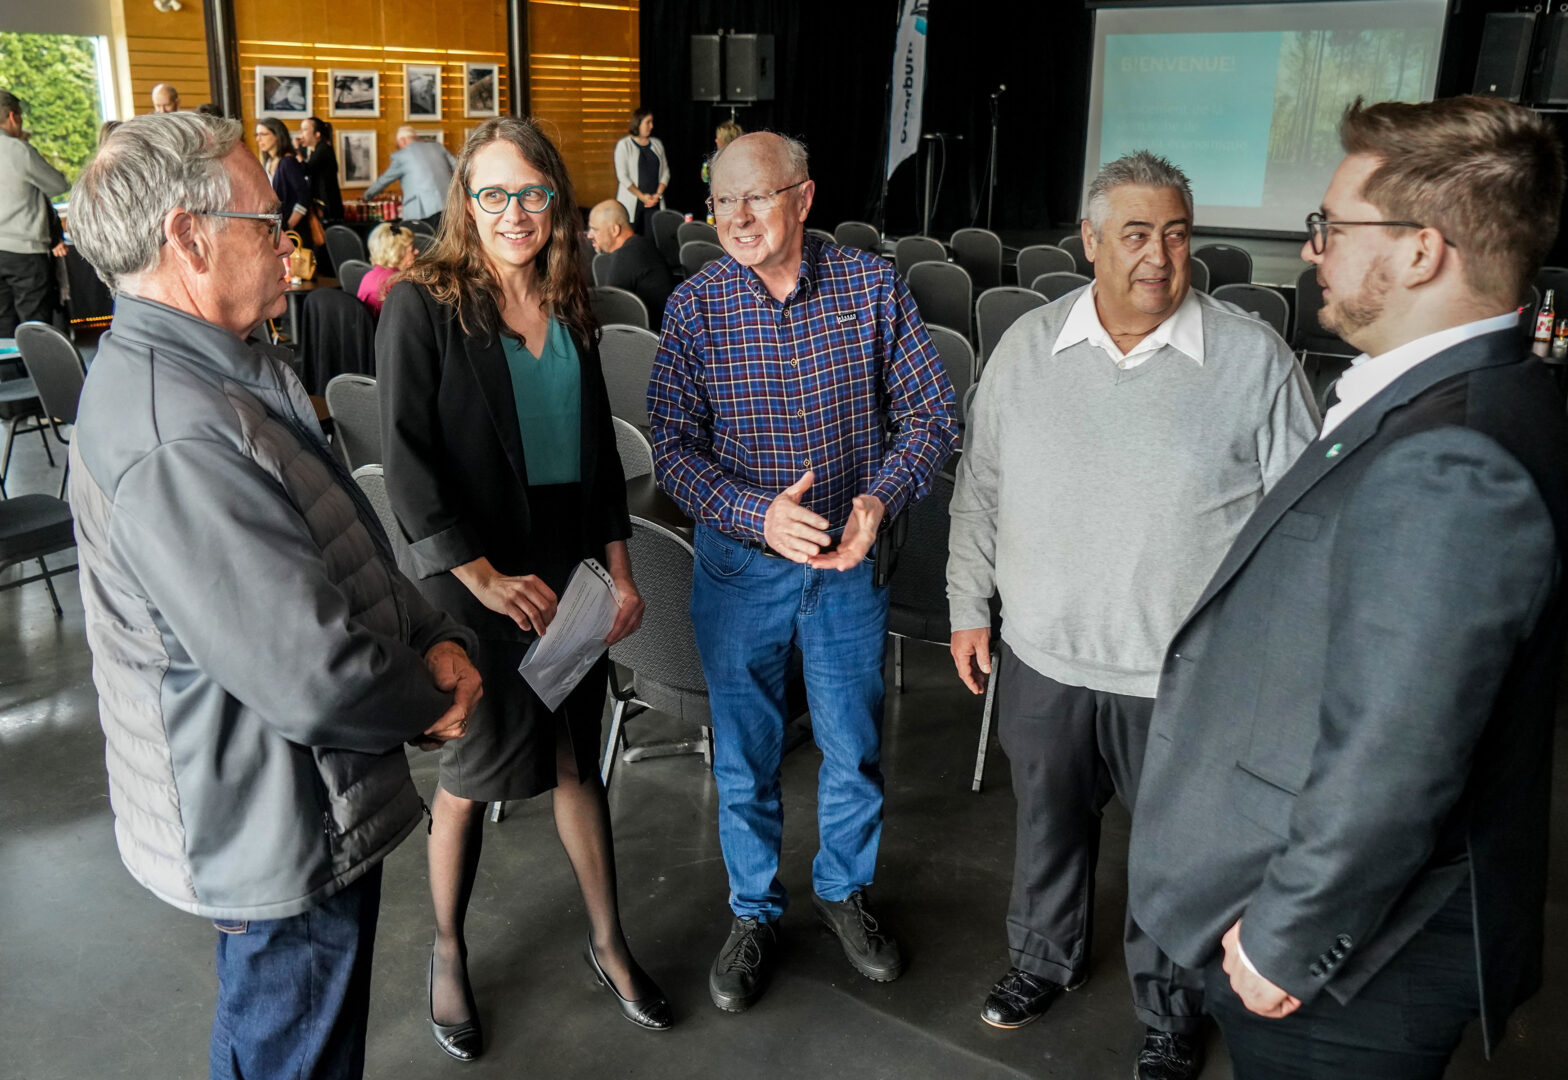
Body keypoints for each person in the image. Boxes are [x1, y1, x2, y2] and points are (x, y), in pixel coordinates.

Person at [1128, 95, 1568, 1080]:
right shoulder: (1461, 399)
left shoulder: (1453, 458)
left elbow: (1399, 750)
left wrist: (1291, 937)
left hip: (1356, 975)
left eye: (1331, 227)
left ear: (1421, 253)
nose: (1314, 251)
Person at [65, 110, 482, 1080]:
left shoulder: (213, 373)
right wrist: (432, 695)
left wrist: (426, 631)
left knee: (273, 1040)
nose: (287, 238)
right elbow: (313, 670)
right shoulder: (178, 429)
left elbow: (341, 545)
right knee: (291, 1052)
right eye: (265, 220)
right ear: (188, 237)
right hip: (273, 814)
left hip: (282, 798)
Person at [947, 151, 1318, 1080]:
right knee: (1047, 827)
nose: (1159, 255)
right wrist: (967, 603)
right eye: (1137, 233)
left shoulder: (1250, 358)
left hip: (1181, 678)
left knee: (1176, 855)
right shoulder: (1028, 349)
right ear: (1090, 241)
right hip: (1042, 656)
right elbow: (979, 489)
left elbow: (1306, 526)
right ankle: (1042, 960)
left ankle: (1170, 1008)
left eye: (1178, 233)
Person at [377, 116, 669, 1062]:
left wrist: (619, 570)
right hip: (477, 580)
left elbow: (594, 462)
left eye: (534, 194)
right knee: (470, 776)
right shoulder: (424, 304)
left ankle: (610, 942)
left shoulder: (570, 304)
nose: (516, 213)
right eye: (495, 194)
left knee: (580, 760)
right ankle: (450, 952)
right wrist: (484, 579)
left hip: (567, 571)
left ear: (557, 203)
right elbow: (410, 468)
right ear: (465, 201)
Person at [648, 131, 957, 1013]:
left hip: (846, 568)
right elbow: (671, 448)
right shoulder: (697, 304)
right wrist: (755, 513)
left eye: (756, 198)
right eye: (721, 203)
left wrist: (879, 501)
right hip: (740, 569)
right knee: (744, 760)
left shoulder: (870, 287)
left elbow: (932, 415)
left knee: (853, 749)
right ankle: (753, 911)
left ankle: (843, 890)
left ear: (805, 197)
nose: (737, 218)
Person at [0, 90, 69, 336]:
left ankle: (9, 375)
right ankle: (37, 374)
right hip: (26, 253)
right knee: (35, 324)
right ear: (12, 117)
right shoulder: (19, 150)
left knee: (2, 325)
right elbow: (58, 186)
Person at [587, 198, 673, 330]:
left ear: (615, 230)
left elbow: (606, 310)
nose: (589, 235)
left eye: (595, 229)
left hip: (653, 339)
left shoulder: (627, 255)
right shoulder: (640, 245)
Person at [366, 124, 457, 230]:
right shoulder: (437, 147)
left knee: (424, 242)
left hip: (423, 212)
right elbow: (458, 167)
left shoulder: (401, 156)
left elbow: (384, 180)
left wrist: (367, 196)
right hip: (449, 205)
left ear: (403, 140)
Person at [253, 116, 314, 249]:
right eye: (257, 135)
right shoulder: (269, 161)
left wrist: (290, 224)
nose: (258, 139)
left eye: (263, 134)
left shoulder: (287, 162)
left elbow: (304, 196)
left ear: (276, 136)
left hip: (293, 232)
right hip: (277, 228)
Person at [613, 107, 668, 234]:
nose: (651, 126)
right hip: (633, 205)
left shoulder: (657, 144)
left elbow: (665, 172)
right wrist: (642, 197)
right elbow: (623, 176)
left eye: (652, 122)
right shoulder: (624, 145)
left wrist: (658, 195)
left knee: (654, 239)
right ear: (638, 123)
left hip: (654, 202)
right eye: (648, 122)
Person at [357, 221, 415, 317]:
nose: (417, 252)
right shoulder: (398, 283)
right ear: (397, 253)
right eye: (412, 250)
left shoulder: (367, 277)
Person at [298, 115, 343, 226]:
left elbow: (305, 169)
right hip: (317, 205)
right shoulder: (309, 150)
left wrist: (297, 153)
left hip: (327, 207)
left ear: (317, 134)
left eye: (304, 129)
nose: (300, 133)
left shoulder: (324, 149)